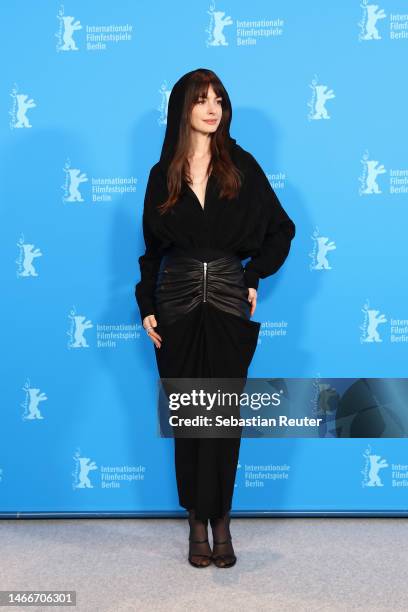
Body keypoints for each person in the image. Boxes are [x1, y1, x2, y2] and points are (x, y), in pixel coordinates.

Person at [135, 68, 296, 568]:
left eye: (219, 99)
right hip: (176, 303)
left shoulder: (242, 166)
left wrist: (253, 278)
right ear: (182, 108)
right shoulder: (162, 174)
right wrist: (146, 307)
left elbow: (282, 230)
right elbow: (151, 254)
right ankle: (194, 523)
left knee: (222, 418)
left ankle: (222, 520)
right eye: (201, 99)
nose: (212, 108)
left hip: (227, 298)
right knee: (190, 418)